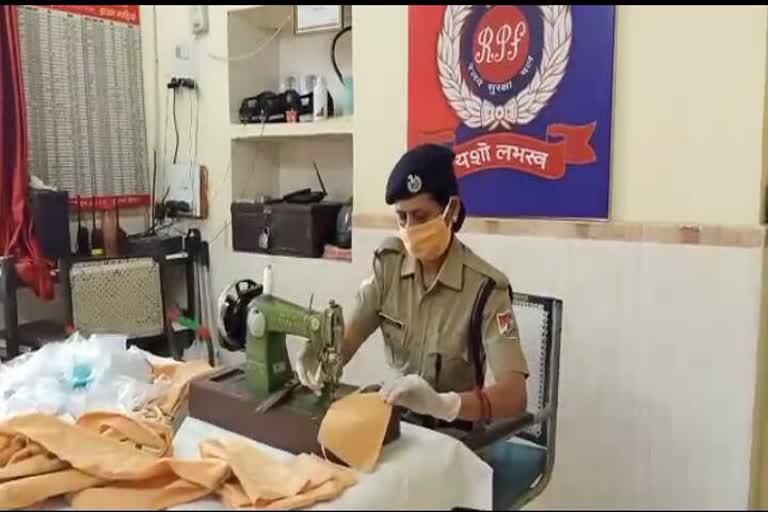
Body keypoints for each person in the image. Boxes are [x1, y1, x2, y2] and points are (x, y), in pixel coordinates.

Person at [297, 144, 528, 425]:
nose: (409, 228)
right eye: (401, 217)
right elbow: (348, 340)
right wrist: (322, 356)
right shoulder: (389, 268)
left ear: (451, 210)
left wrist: (444, 404)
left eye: (420, 217)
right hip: (397, 425)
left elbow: (515, 396)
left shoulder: (486, 290)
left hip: (457, 435)